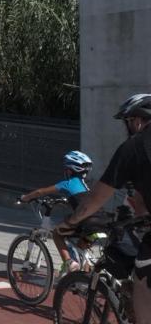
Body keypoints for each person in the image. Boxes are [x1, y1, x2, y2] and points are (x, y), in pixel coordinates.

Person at [56, 94, 151, 323]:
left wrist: (68, 224)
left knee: (142, 279)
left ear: (138, 120)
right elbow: (140, 198)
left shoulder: (134, 147)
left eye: (128, 122)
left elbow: (96, 198)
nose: (128, 128)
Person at [20, 150, 93, 272]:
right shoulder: (86, 185)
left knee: (57, 234)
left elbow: (40, 192)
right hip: (97, 220)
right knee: (81, 247)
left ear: (70, 170)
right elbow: (81, 199)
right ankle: (84, 276)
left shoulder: (67, 184)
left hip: (84, 221)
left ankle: (69, 262)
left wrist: (25, 198)